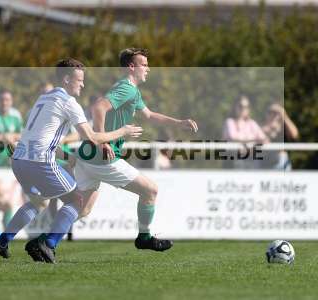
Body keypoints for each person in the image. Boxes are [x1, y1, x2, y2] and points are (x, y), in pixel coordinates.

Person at [28, 48, 198, 262]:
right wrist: (104, 140)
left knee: (82, 208)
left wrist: (179, 123)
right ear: (131, 67)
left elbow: (149, 115)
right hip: (103, 159)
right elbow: (98, 107)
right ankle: (144, 237)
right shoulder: (126, 88)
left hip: (87, 156)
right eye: (144, 64)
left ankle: (45, 242)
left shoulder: (132, 91)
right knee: (150, 191)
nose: (148, 68)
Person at [0, 58, 143, 261]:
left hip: (19, 160)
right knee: (77, 200)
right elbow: (93, 137)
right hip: (39, 162)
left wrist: (66, 156)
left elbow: (40, 137)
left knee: (38, 202)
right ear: (66, 79)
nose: (83, 84)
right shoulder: (69, 103)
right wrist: (122, 131)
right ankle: (48, 244)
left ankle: (1, 242)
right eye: (79, 80)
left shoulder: (43, 99)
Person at [222, 95, 268, 169]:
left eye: (246, 107)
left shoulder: (252, 123)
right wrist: (254, 140)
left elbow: (264, 139)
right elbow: (233, 137)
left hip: (252, 160)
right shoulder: (230, 122)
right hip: (234, 161)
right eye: (240, 106)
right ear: (235, 107)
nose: (243, 109)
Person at [261, 103, 299, 170]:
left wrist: (284, 116)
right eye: (270, 112)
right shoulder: (262, 127)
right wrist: (268, 129)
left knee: (282, 157)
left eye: (276, 112)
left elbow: (294, 135)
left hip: (281, 162)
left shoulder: (284, 128)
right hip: (265, 161)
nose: (273, 115)